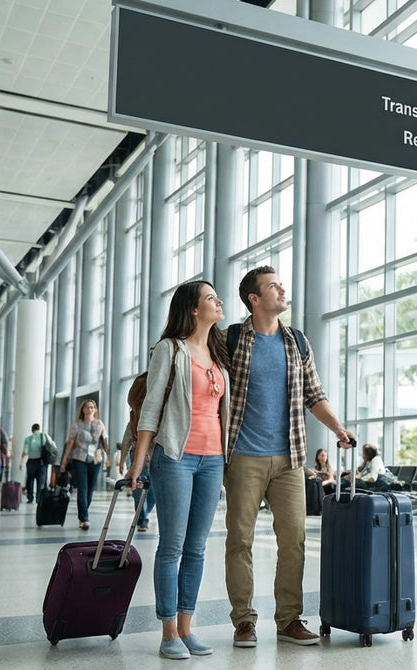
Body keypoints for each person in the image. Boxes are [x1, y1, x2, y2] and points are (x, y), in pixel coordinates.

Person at [224, 266, 356, 648]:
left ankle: (288, 620)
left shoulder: (296, 341)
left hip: (290, 459)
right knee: (240, 541)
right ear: (254, 298)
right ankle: (244, 622)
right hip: (244, 456)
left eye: (280, 284)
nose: (282, 289)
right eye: (273, 286)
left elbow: (315, 394)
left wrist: (338, 428)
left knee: (294, 541)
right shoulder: (231, 338)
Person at [126, 280, 230, 660]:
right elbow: (151, 409)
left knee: (197, 548)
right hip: (175, 456)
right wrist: (139, 465)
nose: (218, 302)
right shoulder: (170, 350)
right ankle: (168, 630)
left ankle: (187, 628)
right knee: (171, 546)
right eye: (210, 298)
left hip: (212, 460)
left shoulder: (217, 353)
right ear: (192, 309)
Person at [59, 400, 108, 531]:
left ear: (95, 410)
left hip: (96, 459)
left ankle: (83, 512)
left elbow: (104, 441)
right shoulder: (76, 425)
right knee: (82, 488)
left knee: (90, 490)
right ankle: (84, 518)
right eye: (87, 407)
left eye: (92, 407)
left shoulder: (99, 424)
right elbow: (70, 443)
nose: (90, 409)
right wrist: (64, 461)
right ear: (83, 410)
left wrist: (107, 457)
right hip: (79, 458)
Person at [117, 424, 156, 532]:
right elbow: (126, 441)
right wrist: (122, 460)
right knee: (137, 490)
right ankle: (142, 519)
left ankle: (143, 513)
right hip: (137, 457)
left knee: (154, 491)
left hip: (156, 457)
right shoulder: (133, 421)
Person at [19, 423, 55, 504]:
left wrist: (21, 462)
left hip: (31, 461)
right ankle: (39, 498)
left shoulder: (28, 439)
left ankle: (30, 497)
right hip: (42, 462)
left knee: (30, 480)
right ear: (39, 429)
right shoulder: (45, 436)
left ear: (32, 430)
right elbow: (52, 446)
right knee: (41, 481)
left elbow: (25, 451)